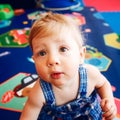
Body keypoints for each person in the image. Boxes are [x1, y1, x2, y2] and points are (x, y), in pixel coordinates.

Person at [20, 12, 117, 120]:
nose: (52, 60)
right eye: (42, 53)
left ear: (81, 55)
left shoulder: (90, 74)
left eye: (63, 49)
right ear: (34, 60)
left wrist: (108, 100)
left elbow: (103, 84)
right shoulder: (39, 92)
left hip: (89, 115)